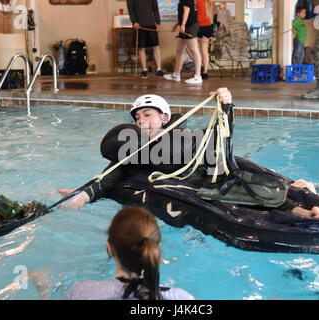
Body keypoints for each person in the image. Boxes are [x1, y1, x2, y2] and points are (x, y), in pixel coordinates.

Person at [58, 87, 233, 209]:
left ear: (165, 118)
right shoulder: (135, 147)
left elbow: (221, 134)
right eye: (137, 117)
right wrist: (84, 194)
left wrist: (226, 106)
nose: (141, 120)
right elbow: (110, 175)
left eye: (148, 114)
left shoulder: (186, 138)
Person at [65, 207, 195, 300]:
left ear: (110, 249)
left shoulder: (81, 293)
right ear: (158, 249)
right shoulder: (183, 298)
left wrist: (44, 289)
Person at [163, 0, 203, 84]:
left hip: (190, 26)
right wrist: (177, 25)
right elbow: (182, 14)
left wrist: (183, 25)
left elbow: (186, 11)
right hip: (185, 26)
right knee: (179, 50)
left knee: (194, 50)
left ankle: (198, 76)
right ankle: (176, 74)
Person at [127, 0, 164, 79]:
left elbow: (156, 9)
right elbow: (130, 10)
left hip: (151, 24)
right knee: (141, 48)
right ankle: (144, 71)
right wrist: (134, 22)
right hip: (139, 25)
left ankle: (159, 69)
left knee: (156, 46)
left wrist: (158, 23)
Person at [196, 0, 213, 79]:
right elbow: (208, 14)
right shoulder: (208, 1)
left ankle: (198, 69)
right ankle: (205, 72)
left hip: (197, 26)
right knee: (204, 51)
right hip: (208, 26)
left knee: (192, 50)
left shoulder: (196, 1)